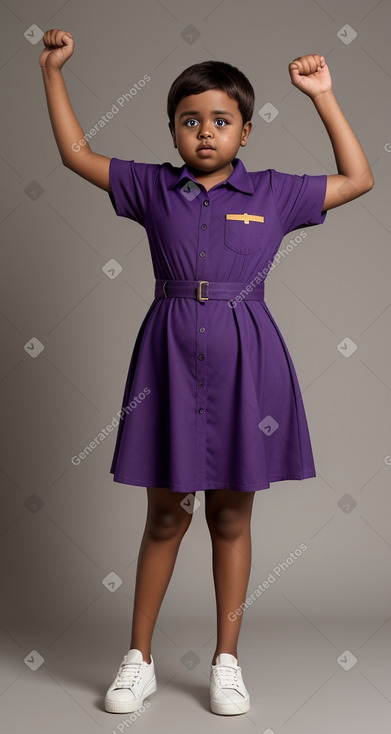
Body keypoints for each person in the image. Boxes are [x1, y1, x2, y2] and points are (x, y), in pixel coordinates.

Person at [39, 29, 374, 717]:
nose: (204, 133)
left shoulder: (275, 194)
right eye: (189, 121)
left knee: (228, 515)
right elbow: (74, 154)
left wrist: (323, 97)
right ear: (172, 129)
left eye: (220, 121)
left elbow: (358, 178)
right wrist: (52, 72)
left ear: (244, 131)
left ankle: (227, 662)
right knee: (165, 514)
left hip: (247, 361)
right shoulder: (152, 186)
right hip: (166, 355)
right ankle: (139, 659)